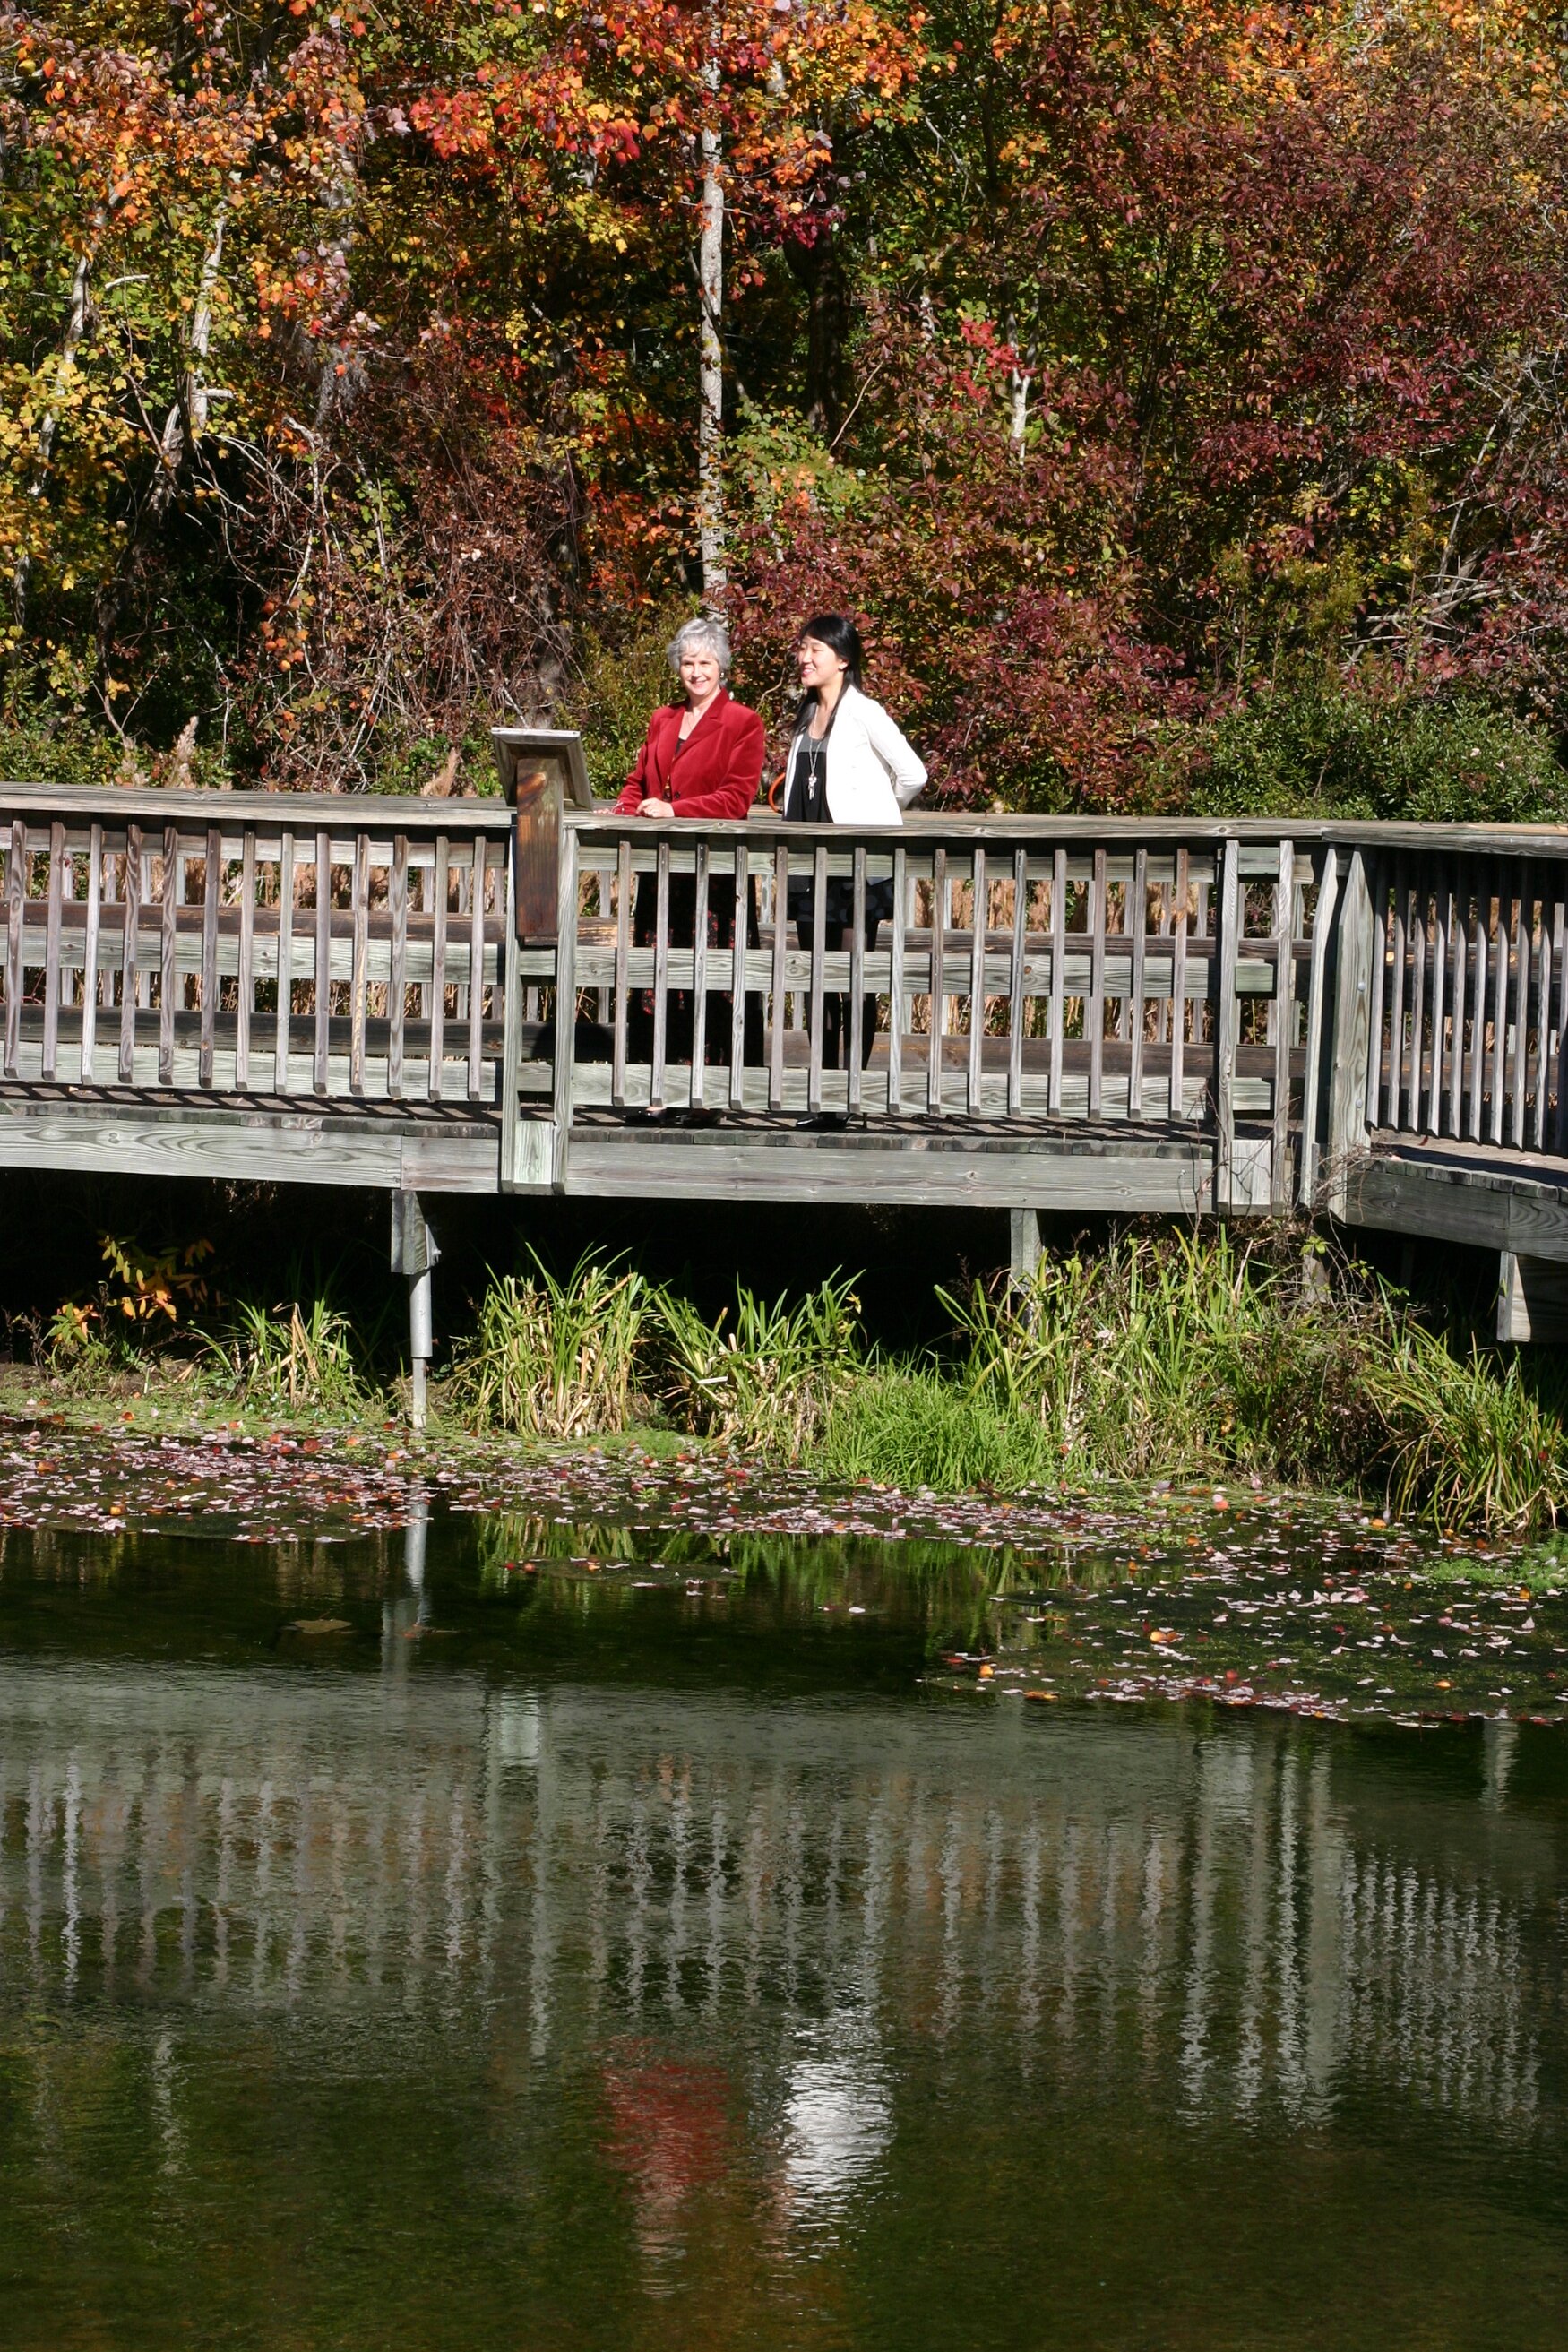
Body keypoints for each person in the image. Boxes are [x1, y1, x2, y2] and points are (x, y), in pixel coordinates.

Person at [617, 617, 766, 1111]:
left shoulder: (743, 722)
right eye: (687, 662)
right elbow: (638, 782)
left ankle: (710, 1095)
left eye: (705, 662)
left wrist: (675, 810)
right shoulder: (662, 718)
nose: (696, 672)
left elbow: (736, 799)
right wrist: (623, 810)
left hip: (714, 878)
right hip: (662, 873)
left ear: (722, 666)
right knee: (658, 978)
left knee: (712, 981)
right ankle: (656, 1091)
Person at [782, 614, 926, 1115]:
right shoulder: (805, 716)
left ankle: (851, 1099)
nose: (804, 658)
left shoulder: (865, 712)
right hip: (808, 869)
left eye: (815, 650)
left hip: (857, 870)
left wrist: (878, 813)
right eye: (802, 648)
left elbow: (913, 774)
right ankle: (822, 1099)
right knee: (816, 982)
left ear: (843, 660)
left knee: (854, 982)